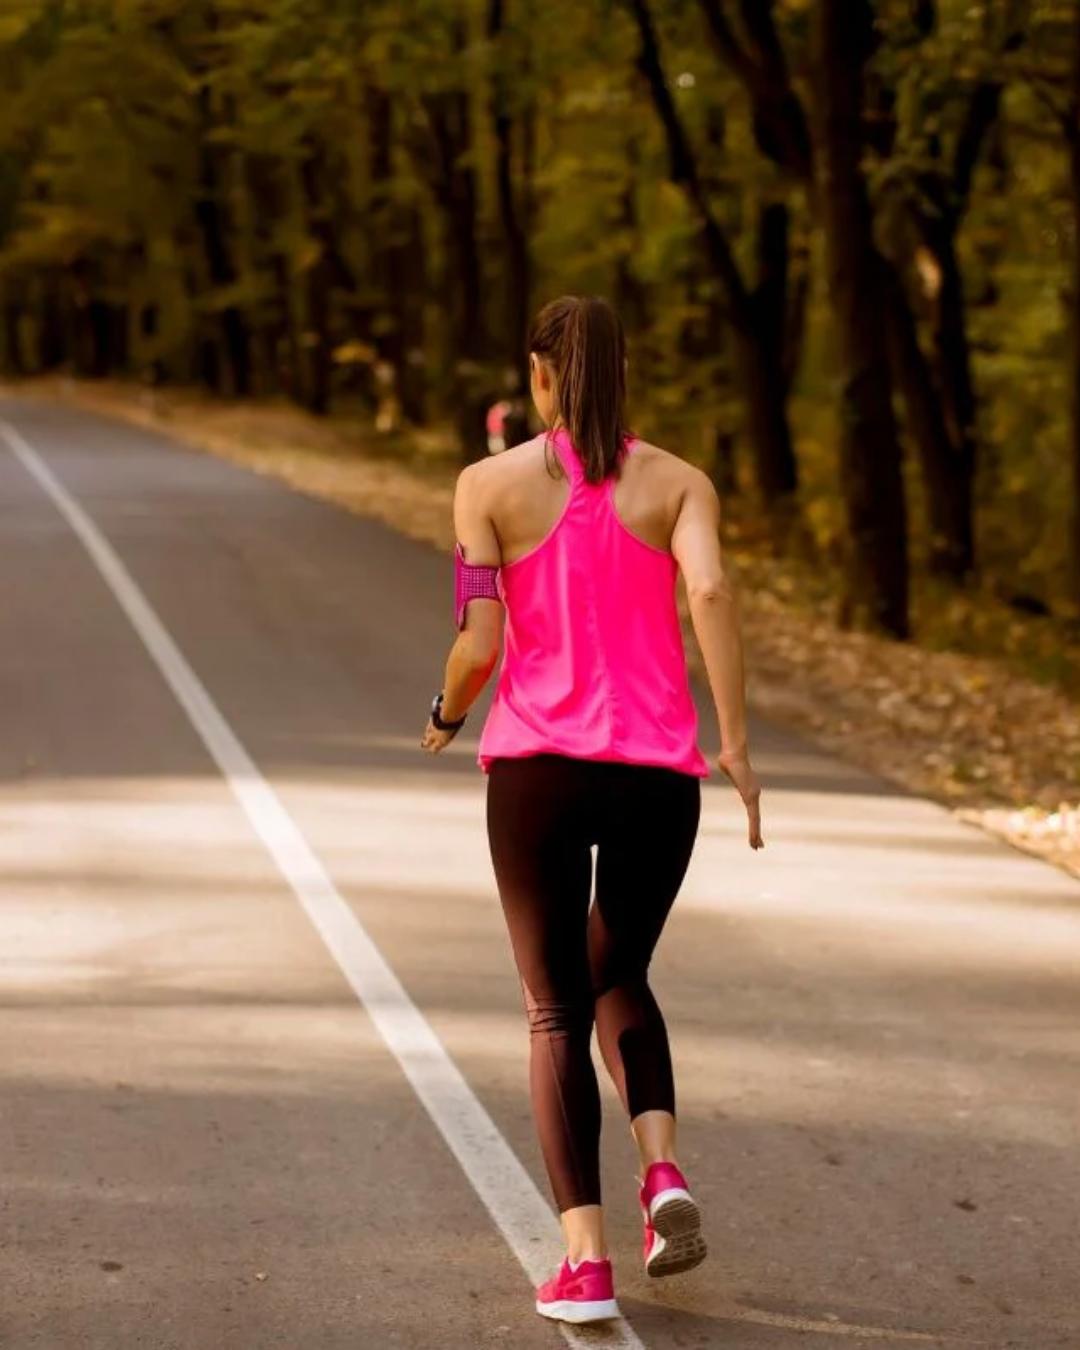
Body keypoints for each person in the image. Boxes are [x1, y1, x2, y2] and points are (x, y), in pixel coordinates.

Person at [421, 294, 763, 1326]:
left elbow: (481, 642)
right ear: (624, 371)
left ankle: (585, 1263)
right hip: (658, 774)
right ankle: (663, 1172)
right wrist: (735, 744)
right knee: (622, 973)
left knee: (555, 1010)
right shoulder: (682, 484)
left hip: (541, 770)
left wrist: (446, 712)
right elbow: (711, 594)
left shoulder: (486, 486)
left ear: (538, 374)